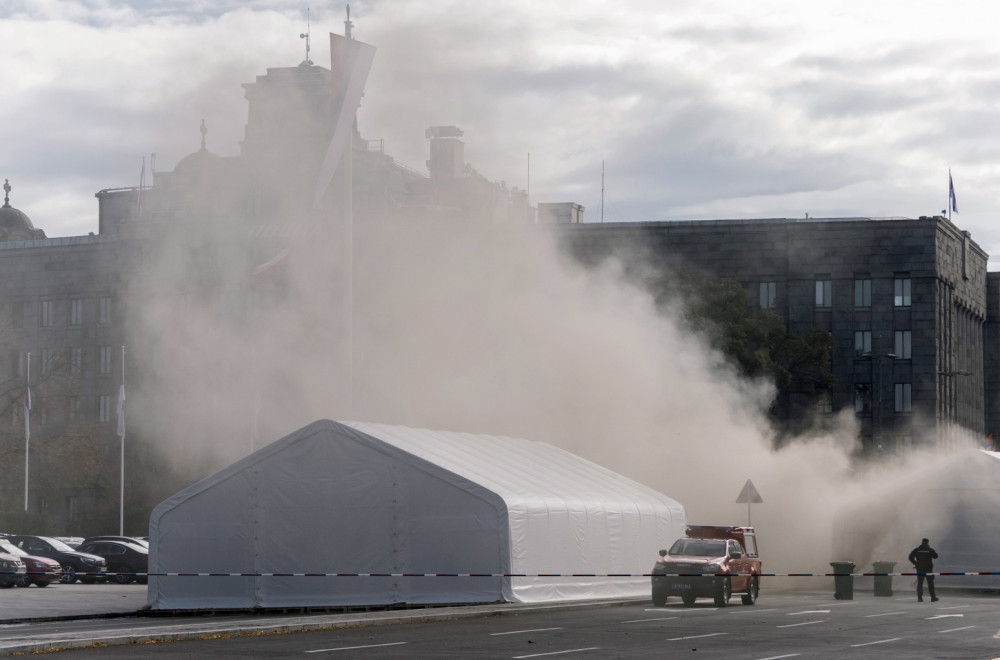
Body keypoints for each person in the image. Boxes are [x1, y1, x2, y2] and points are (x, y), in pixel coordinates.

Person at [908, 538, 939, 602]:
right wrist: (931, 551)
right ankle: (933, 598)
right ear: (928, 543)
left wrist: (916, 563)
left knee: (920, 583)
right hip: (928, 569)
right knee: (930, 584)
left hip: (920, 569)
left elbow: (910, 557)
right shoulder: (930, 550)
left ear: (921, 542)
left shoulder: (917, 550)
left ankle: (920, 598)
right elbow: (936, 556)